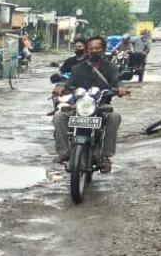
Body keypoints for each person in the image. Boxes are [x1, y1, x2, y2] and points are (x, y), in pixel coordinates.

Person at [52, 35, 129, 172]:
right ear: (87, 51)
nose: (94, 51)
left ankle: (106, 156)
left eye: (97, 48)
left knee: (115, 116)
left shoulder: (110, 67)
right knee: (59, 116)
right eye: (91, 48)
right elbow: (68, 82)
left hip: (101, 105)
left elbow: (117, 81)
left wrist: (120, 88)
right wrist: (61, 86)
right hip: (80, 106)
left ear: (103, 50)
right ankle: (64, 153)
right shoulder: (78, 68)